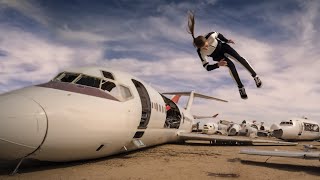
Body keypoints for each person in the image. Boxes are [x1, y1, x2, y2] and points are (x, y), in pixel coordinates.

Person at [187, 11, 262, 99]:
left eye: (206, 46)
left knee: (239, 59)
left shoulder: (210, 35)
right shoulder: (200, 52)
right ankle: (241, 87)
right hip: (218, 57)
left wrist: (226, 40)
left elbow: (219, 35)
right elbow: (207, 67)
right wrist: (217, 65)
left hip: (223, 47)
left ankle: (255, 76)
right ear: (199, 48)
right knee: (231, 66)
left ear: (207, 40)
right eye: (204, 48)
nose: (206, 49)